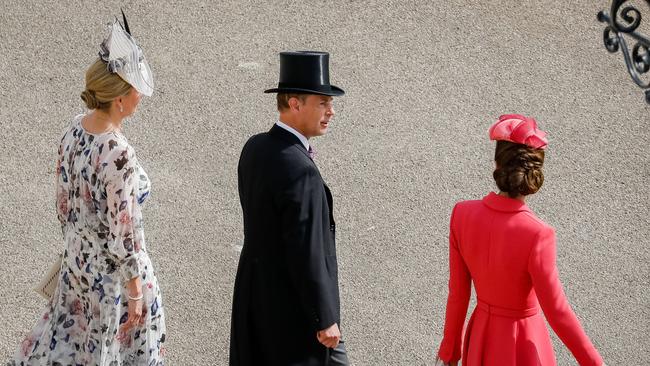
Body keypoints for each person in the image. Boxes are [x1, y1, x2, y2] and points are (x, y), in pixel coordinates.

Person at [9, 13, 165, 366]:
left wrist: (77, 249)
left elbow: (63, 203)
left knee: (65, 347)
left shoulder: (75, 127)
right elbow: (124, 235)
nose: (140, 95)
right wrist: (136, 292)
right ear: (120, 99)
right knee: (107, 354)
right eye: (135, 89)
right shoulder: (119, 154)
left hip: (76, 265)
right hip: (112, 283)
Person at [436, 114, 603, 366]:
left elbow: (458, 294)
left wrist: (449, 352)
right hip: (524, 343)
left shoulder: (462, 214)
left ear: (497, 165)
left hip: (481, 339)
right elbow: (557, 312)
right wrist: (594, 363)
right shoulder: (538, 234)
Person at [230, 51, 350, 366]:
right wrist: (324, 317)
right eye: (323, 102)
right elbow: (306, 249)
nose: (331, 111)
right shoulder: (302, 170)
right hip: (295, 318)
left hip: (255, 303)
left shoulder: (255, 148)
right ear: (295, 103)